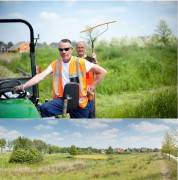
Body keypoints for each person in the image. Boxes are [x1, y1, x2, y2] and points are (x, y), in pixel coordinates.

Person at [13, 39, 107, 118]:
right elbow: (40, 76)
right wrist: (24, 86)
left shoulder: (81, 62)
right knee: (45, 108)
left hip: (79, 102)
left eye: (66, 49)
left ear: (71, 49)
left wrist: (91, 87)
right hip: (63, 99)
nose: (64, 52)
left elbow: (102, 72)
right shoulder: (56, 63)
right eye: (61, 49)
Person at [75, 41, 97, 118]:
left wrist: (95, 60)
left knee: (91, 112)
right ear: (76, 49)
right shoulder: (74, 60)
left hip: (89, 89)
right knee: (81, 110)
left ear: (85, 48)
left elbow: (98, 71)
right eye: (79, 47)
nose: (80, 49)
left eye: (82, 47)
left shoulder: (90, 59)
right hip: (79, 89)